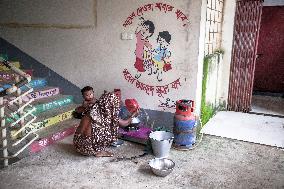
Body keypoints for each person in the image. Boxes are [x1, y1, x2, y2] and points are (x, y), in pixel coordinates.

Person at [73, 92, 136, 157]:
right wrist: (133, 115)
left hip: (77, 145)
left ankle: (94, 147)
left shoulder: (91, 108)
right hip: (89, 150)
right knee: (111, 128)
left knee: (98, 126)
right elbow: (125, 123)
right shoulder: (109, 116)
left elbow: (78, 110)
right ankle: (99, 151)